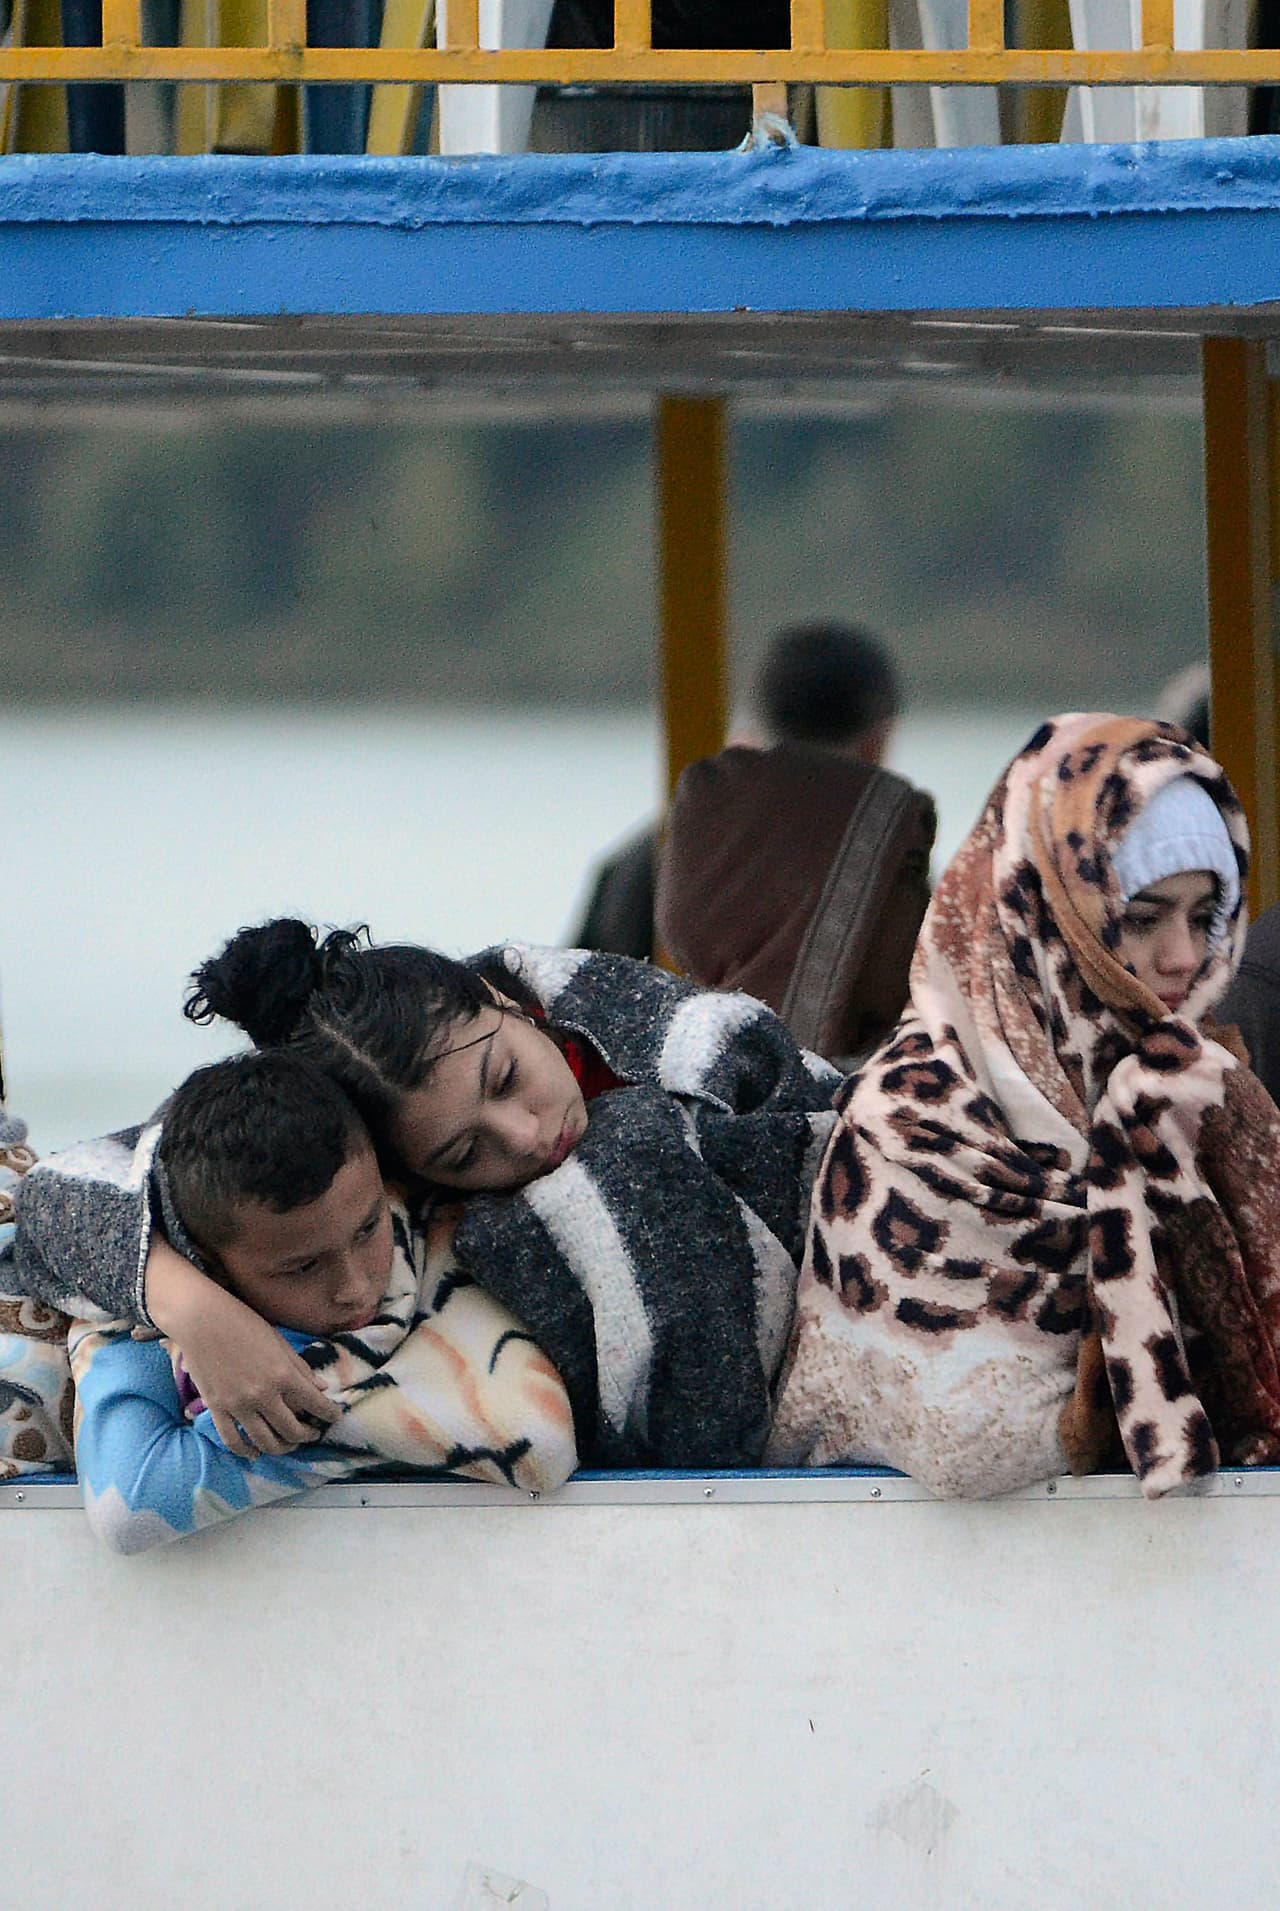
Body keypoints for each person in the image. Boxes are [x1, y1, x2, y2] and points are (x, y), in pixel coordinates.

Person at [14, 927, 840, 1472]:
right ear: (398, 1172)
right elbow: (58, 1201)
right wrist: (190, 1304)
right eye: (463, 1152)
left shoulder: (586, 1006)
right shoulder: (337, 1123)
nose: (523, 1136)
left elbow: (828, 1116)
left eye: (507, 1075)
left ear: (510, 1003)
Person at [767, 711, 1280, 1500]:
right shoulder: (909, 1120)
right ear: (1047, 912)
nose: (1184, 957)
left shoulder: (1210, 1093)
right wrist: (1094, 1407)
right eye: (1142, 917)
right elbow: (932, 1425)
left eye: (1205, 914)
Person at [65, 1048, 578, 1551]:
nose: (355, 1287)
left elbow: (539, 1441)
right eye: (303, 1267)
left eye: (367, 1229)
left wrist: (104, 1330)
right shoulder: (163, 1297)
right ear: (209, 1264)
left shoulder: (444, 1227)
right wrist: (142, 1306)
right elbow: (127, 1509)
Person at [572, 618, 904, 962]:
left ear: (745, 737)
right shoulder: (886, 871)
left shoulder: (644, 864)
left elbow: (561, 997)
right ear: (875, 744)